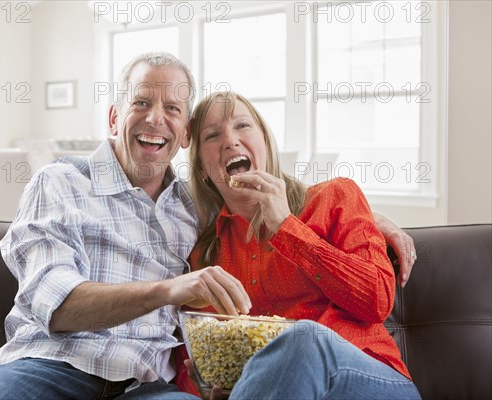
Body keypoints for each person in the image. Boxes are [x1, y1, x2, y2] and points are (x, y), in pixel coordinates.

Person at [0, 52, 416, 399]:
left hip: (347, 374)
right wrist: (204, 375)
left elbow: (372, 295)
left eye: (174, 108)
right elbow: (66, 308)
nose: (157, 117)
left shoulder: (312, 200)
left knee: (301, 341)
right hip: (58, 368)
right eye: (212, 134)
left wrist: (350, 222)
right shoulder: (195, 229)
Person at [176, 91, 421, 399]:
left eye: (242, 126)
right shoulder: (206, 256)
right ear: (202, 168)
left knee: (302, 339)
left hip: (371, 380)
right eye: (212, 135)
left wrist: (287, 229)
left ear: (264, 142)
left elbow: (377, 299)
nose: (230, 140)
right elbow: (193, 361)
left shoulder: (335, 197)